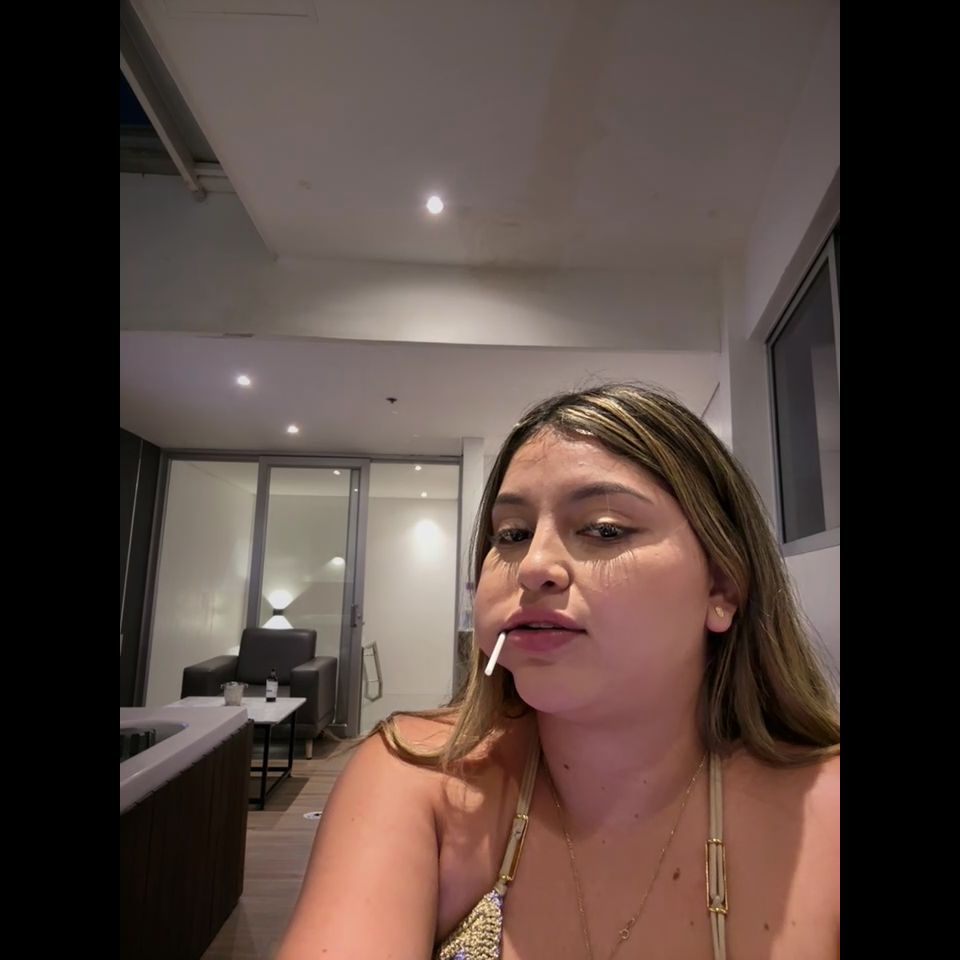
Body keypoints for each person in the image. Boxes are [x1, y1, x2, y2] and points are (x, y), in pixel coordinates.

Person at [277, 382, 840, 960]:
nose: (533, 566)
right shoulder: (417, 779)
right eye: (512, 535)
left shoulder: (826, 815)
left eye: (604, 528)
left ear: (721, 587)